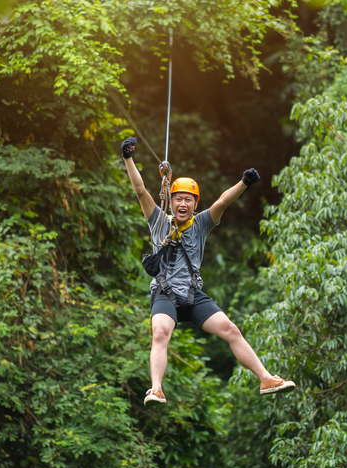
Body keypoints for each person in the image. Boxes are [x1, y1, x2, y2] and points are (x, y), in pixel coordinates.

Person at [120, 136, 296, 406]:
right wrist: (128, 158)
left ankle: (266, 378)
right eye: (177, 198)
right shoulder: (157, 220)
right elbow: (140, 190)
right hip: (165, 294)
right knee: (160, 333)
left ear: (194, 203)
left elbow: (222, 202)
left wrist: (244, 183)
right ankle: (156, 389)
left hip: (192, 296)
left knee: (231, 330)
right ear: (170, 198)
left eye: (188, 200)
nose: (182, 204)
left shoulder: (201, 223)